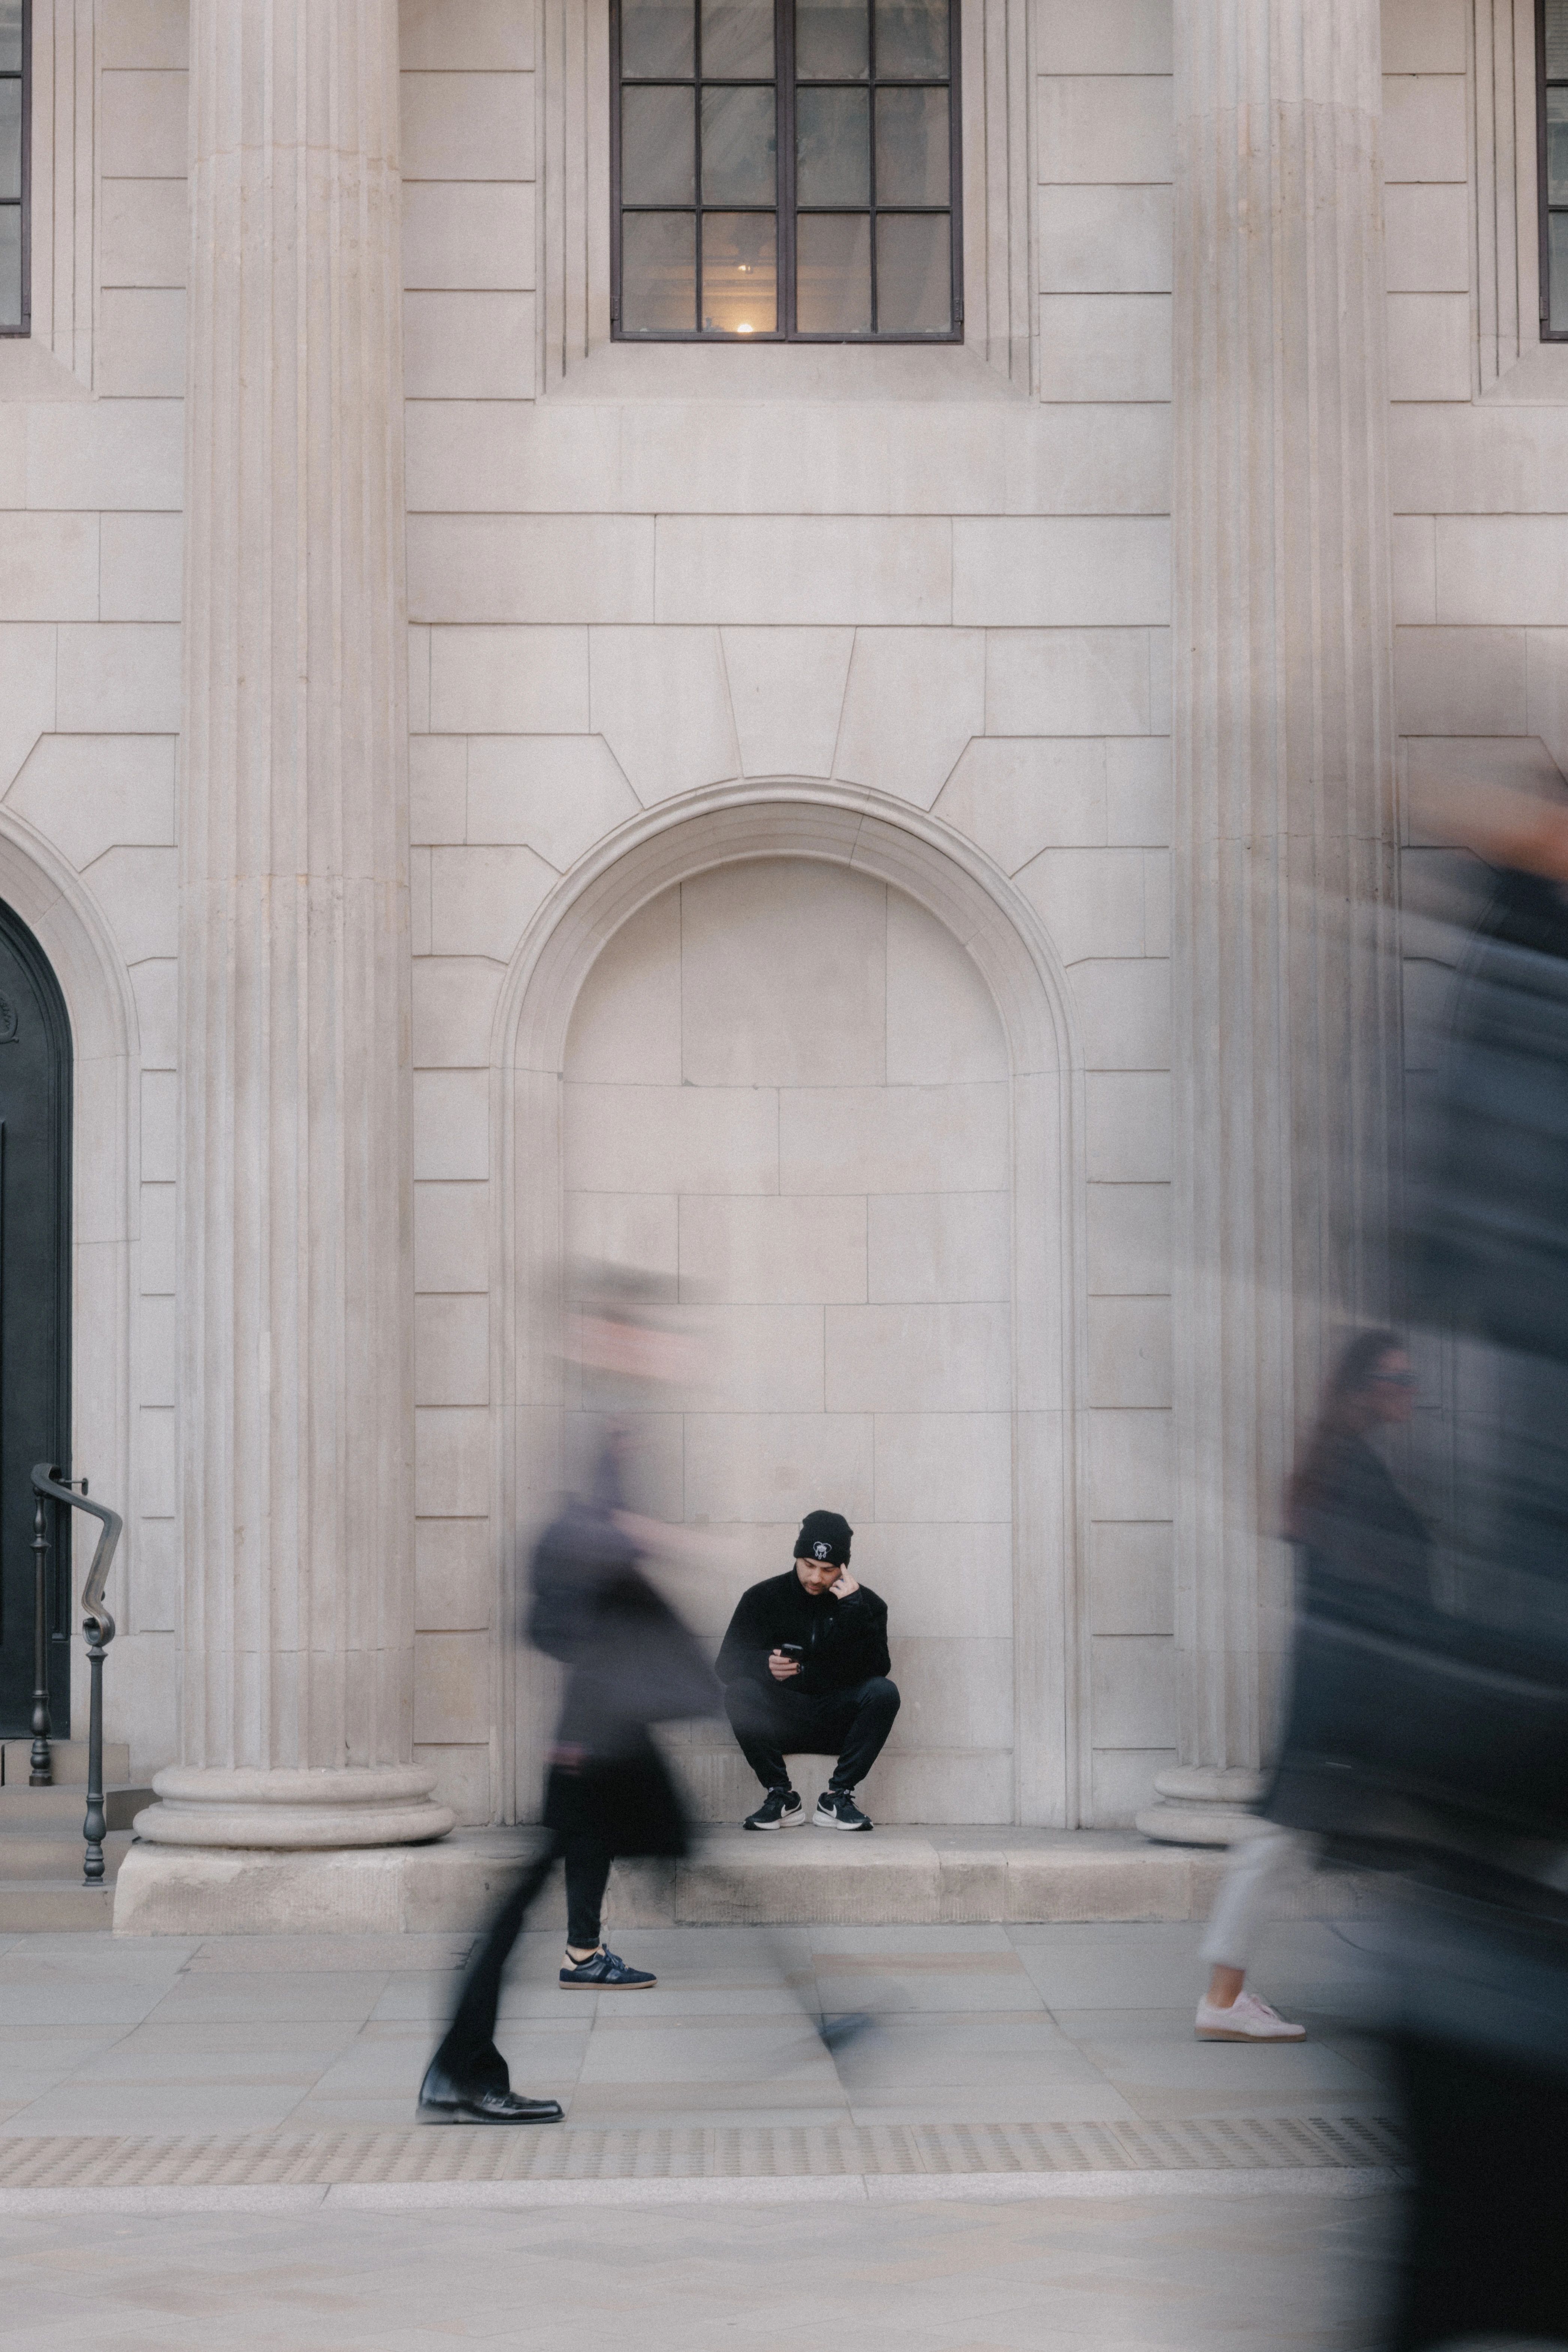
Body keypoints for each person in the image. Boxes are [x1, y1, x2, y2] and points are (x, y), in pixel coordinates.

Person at [419, 1429, 718, 2125]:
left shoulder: (597, 1531)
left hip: (607, 1737)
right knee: (531, 1898)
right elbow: (555, 1624)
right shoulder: (586, 1531)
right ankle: (461, 2069)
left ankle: (463, 2064)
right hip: (593, 1740)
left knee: (678, 1861)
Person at [1195, 1329, 1427, 2044]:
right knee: (1279, 1841)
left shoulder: (1346, 1461)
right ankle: (1223, 1996)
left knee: (1284, 1841)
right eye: (1395, 1377)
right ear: (1361, 1387)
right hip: (1346, 1691)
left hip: (1345, 1686)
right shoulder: (1351, 1469)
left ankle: (1227, 1994)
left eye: (1410, 1377)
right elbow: (1368, 1588)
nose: (1408, 1389)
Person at [716, 1509, 899, 1833]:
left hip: (837, 1721)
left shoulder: (867, 1604)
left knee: (884, 1692)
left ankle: (837, 1797)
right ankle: (781, 1795)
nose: (816, 1578)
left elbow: (878, 1668)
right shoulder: (762, 1598)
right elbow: (725, 1665)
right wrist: (764, 1664)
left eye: (827, 1570)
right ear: (797, 1557)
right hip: (781, 1720)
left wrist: (853, 1612)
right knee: (740, 1691)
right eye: (809, 1565)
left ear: (843, 1568)